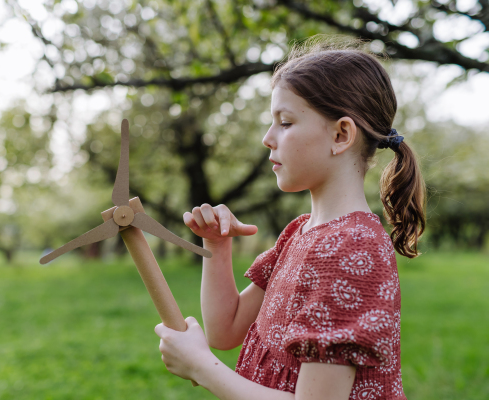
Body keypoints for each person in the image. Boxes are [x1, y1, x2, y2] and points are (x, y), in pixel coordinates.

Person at [154, 35, 426, 400]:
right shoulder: (300, 233)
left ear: (341, 134)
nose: (267, 138)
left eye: (285, 122)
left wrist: (201, 369)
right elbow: (225, 331)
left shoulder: (351, 250)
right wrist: (217, 245)